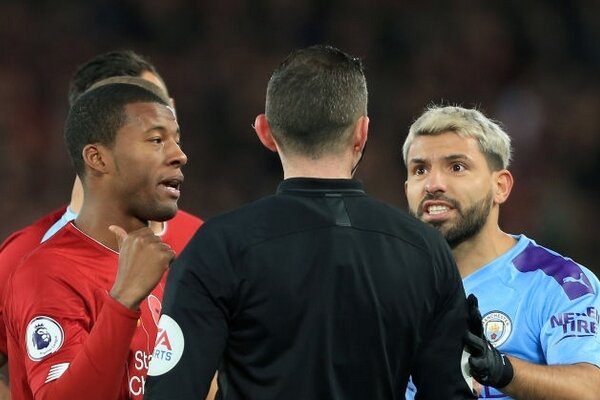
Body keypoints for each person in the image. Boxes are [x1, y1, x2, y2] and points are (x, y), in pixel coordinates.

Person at [144, 45, 476, 400]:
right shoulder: (426, 250)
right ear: (362, 133)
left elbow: (171, 393)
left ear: (265, 132)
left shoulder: (219, 246)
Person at [0, 50, 203, 397]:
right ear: (97, 157)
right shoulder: (45, 269)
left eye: (176, 139)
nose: (179, 155)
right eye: (156, 140)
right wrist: (123, 301)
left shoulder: (197, 246)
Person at [402, 105, 600, 399]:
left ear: (500, 187)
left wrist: (502, 370)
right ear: (407, 187)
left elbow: (591, 389)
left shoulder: (560, 282)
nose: (433, 185)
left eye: (456, 167)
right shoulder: (389, 285)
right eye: (420, 170)